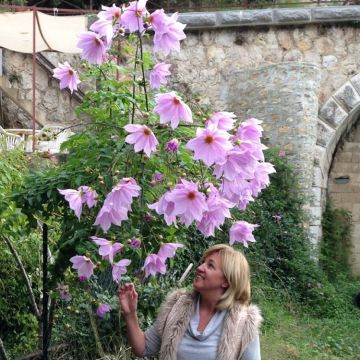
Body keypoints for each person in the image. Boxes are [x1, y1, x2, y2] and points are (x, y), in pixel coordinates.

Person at [118, 244, 262, 360]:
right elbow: (143, 348)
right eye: (203, 262)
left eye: (210, 266)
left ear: (226, 281)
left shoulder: (244, 324)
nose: (199, 268)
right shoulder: (176, 306)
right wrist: (130, 314)